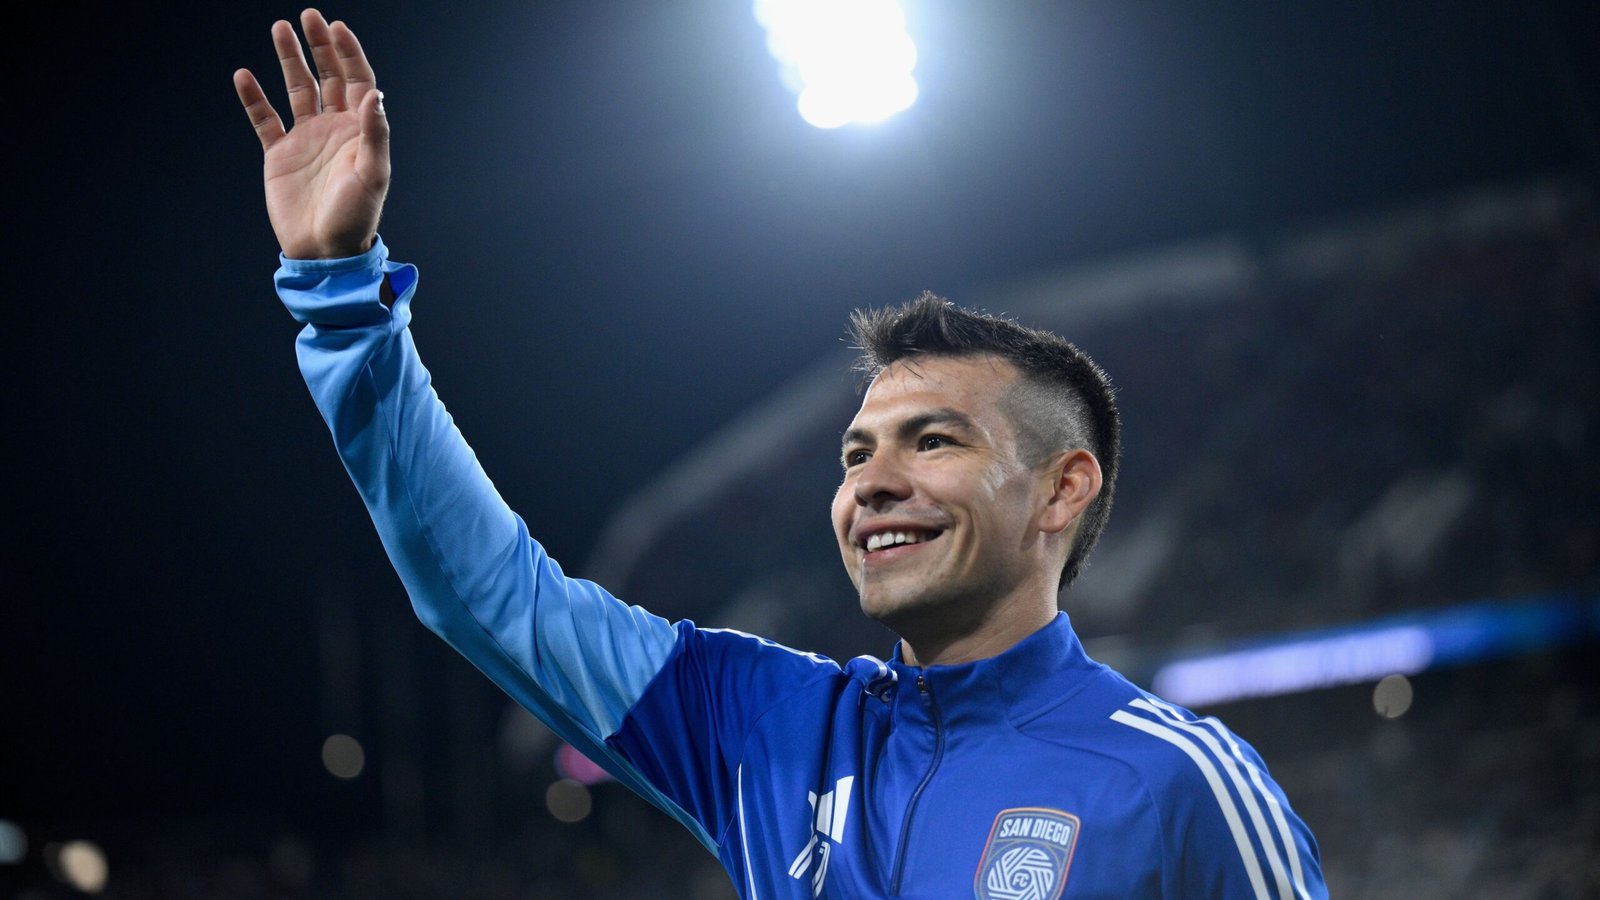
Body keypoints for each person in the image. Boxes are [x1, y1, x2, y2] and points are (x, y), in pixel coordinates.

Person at [237, 11, 1327, 898]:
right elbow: (484, 591)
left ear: (1061, 486)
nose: (871, 483)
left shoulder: (1179, 783)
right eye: (856, 455)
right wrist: (344, 300)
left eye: (932, 440)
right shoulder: (762, 722)